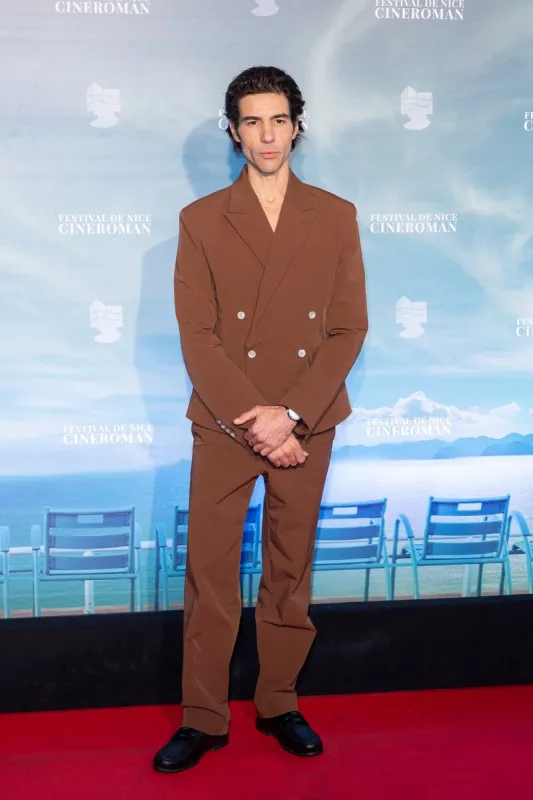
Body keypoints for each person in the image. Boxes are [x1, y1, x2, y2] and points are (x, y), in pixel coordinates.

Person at [154, 65, 368, 774]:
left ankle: (279, 702)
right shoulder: (201, 220)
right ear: (233, 130)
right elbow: (198, 335)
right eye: (251, 121)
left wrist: (293, 414)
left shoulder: (335, 215)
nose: (265, 134)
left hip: (307, 419)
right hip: (225, 420)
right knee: (209, 573)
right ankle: (203, 718)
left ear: (297, 126)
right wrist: (257, 420)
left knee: (288, 568)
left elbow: (346, 330)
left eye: (277, 119)